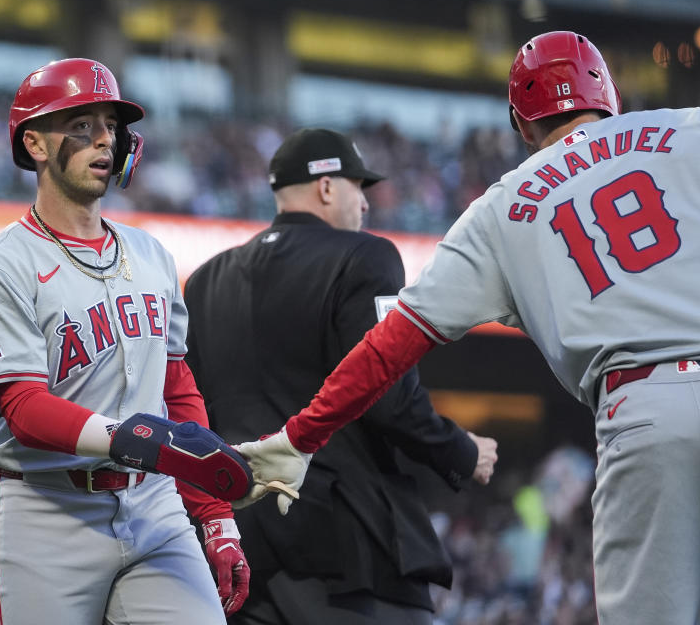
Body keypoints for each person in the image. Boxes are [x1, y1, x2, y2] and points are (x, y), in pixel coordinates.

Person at [232, 31, 700, 625]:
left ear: (522, 126)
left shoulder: (502, 208)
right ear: (606, 94)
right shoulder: (692, 128)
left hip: (644, 414)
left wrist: (300, 435)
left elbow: (387, 351)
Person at [0, 58, 252, 625]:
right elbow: (22, 408)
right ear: (35, 145)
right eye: (82, 124)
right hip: (46, 510)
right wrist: (130, 437)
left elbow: (176, 387)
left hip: (152, 502)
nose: (104, 140)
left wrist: (214, 516)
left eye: (110, 126)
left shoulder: (151, 255)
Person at [184, 128, 499, 624]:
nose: (367, 205)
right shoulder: (364, 256)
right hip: (345, 543)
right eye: (359, 188)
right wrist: (461, 450)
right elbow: (387, 392)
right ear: (327, 186)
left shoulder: (204, 280)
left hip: (245, 549)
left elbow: (192, 413)